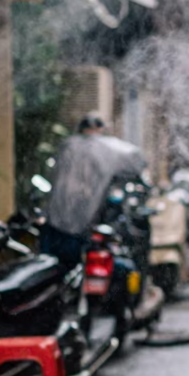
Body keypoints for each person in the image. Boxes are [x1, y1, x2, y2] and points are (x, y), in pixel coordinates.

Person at [41, 113, 146, 267]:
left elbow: (50, 172)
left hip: (57, 222)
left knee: (53, 265)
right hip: (88, 224)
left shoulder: (67, 146)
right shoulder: (111, 148)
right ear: (100, 129)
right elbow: (137, 161)